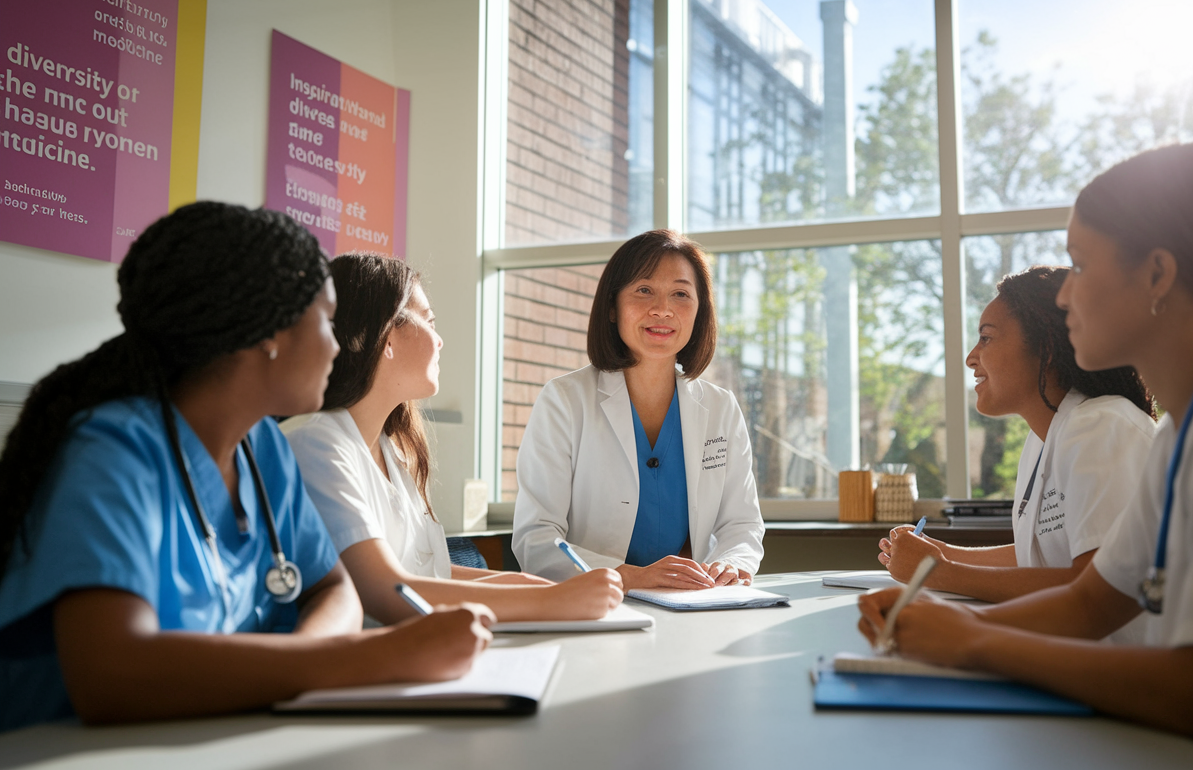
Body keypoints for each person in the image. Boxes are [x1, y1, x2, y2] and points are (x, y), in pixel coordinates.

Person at [857, 144, 1193, 765]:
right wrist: (933, 628)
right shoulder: (1182, 429)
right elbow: (1092, 601)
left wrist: (973, 641)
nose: (1063, 296)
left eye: (1080, 265)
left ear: (1158, 276)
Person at [0, 203, 492, 731]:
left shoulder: (263, 449)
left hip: (227, 731)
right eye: (326, 322)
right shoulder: (111, 452)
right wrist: (364, 659)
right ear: (268, 334)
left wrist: (303, 672)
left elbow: (334, 590)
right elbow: (110, 676)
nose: (339, 345)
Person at [284, 252, 623, 625]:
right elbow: (388, 591)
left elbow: (430, 574)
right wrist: (554, 601)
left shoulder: (389, 448)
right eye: (429, 322)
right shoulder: (318, 444)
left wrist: (532, 586)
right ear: (385, 336)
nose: (440, 341)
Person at [878, 266, 1156, 615]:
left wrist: (938, 572)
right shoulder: (1042, 440)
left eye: (987, 338)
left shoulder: (1104, 426)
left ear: (1047, 347)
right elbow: (1039, 555)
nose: (970, 358)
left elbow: (1097, 586)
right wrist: (941, 553)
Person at [512, 230, 765, 589]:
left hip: (692, 604)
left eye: (680, 294)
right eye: (644, 290)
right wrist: (628, 576)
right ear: (612, 308)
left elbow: (741, 524)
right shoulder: (564, 400)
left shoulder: (720, 408)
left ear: (699, 311)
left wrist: (729, 564)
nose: (662, 309)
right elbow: (536, 538)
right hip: (595, 604)